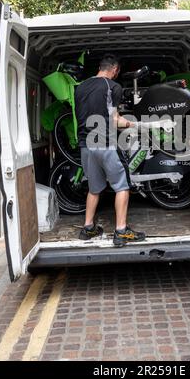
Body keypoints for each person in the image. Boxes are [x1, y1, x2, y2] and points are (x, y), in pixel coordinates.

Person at [75, 54, 146, 247]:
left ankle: (88, 227)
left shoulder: (80, 87)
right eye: (117, 72)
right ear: (114, 70)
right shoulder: (112, 87)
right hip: (105, 143)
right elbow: (115, 120)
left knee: (94, 188)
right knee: (122, 185)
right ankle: (121, 231)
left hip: (85, 145)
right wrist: (134, 124)